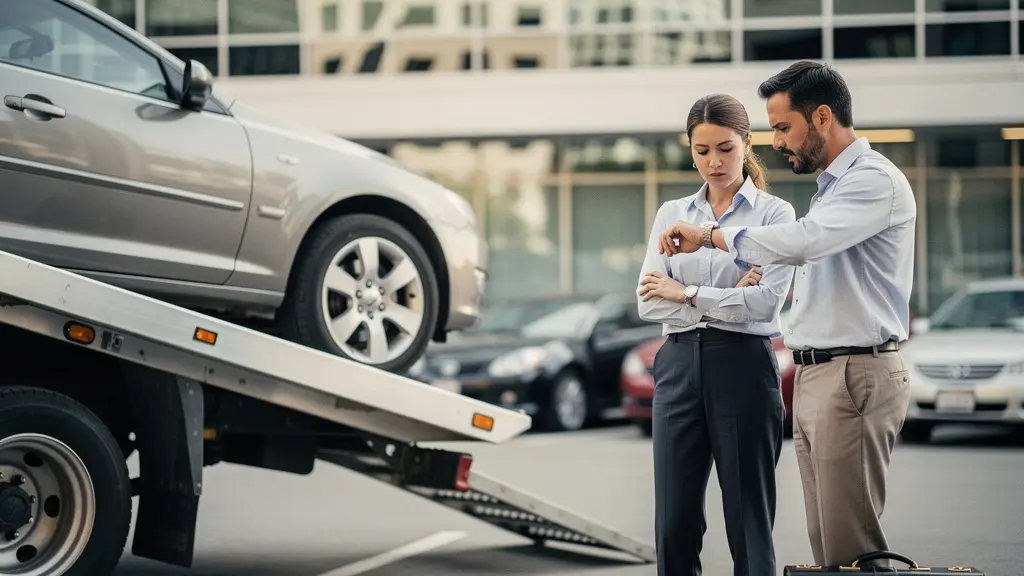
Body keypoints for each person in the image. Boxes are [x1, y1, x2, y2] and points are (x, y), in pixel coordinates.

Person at [656, 61, 916, 569]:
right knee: (830, 544)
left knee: (852, 547)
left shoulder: (872, 181)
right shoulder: (832, 188)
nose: (775, 141)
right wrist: (736, 285)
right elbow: (655, 298)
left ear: (821, 118)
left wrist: (708, 247)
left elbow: (801, 245)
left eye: (781, 127)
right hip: (820, 373)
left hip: (854, 371)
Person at [636, 92, 795, 576]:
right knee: (673, 523)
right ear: (690, 149)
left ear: (747, 143)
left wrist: (685, 292)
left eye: (725, 148)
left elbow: (766, 303)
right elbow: (647, 301)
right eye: (701, 150)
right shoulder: (671, 214)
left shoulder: (775, 216)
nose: (714, 162)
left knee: (748, 521)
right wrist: (727, 293)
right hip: (679, 365)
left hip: (744, 368)